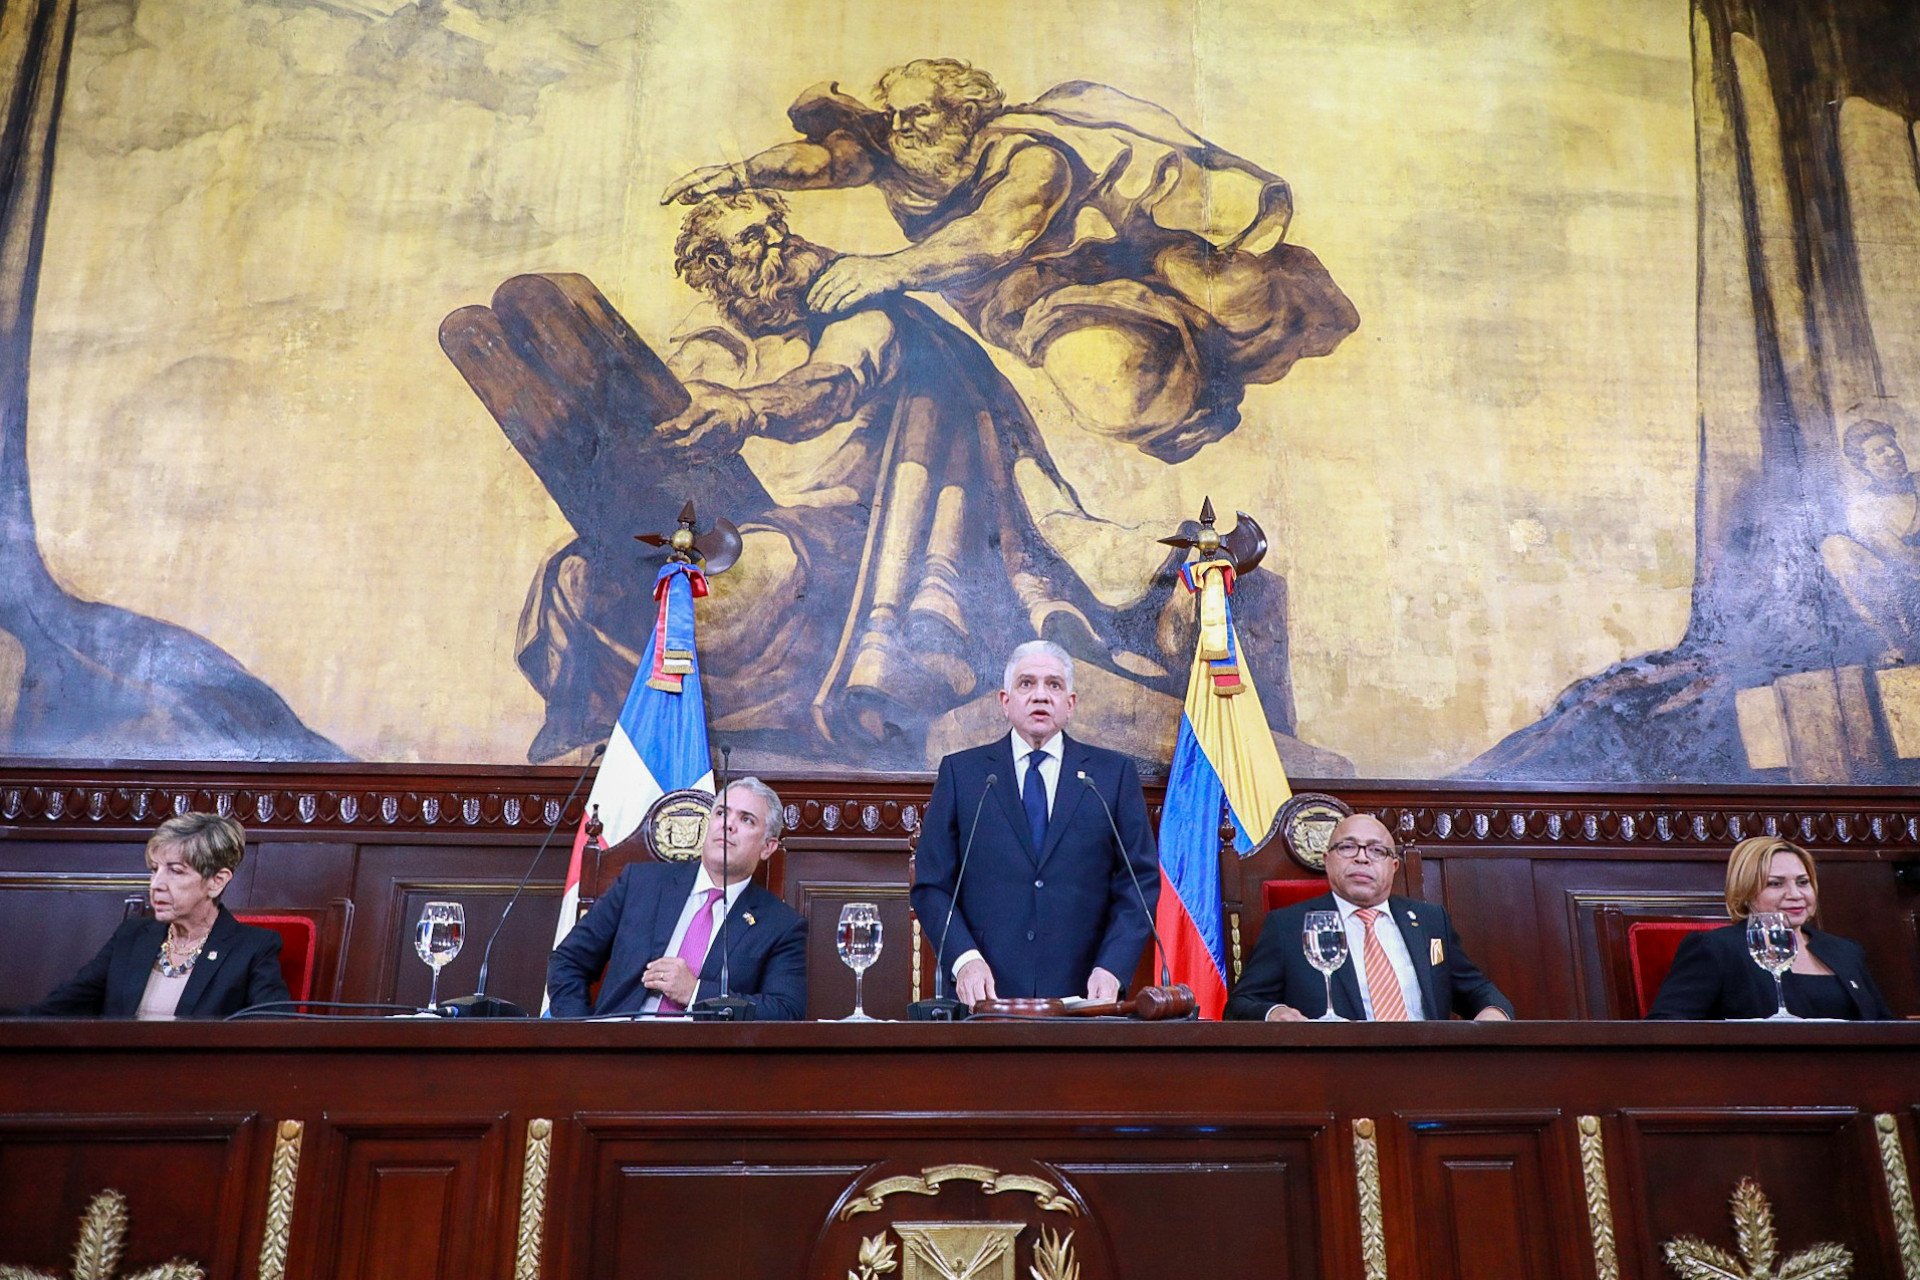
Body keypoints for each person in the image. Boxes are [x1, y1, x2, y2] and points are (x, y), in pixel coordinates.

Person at [513, 191, 1177, 768]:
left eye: (774, 227)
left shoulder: (854, 313)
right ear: (713, 268)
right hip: (730, 522)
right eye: (752, 239)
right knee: (573, 573)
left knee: (749, 580)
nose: (776, 244)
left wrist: (748, 410)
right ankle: (600, 728)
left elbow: (829, 386)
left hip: (846, 532)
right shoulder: (706, 340)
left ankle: (761, 725)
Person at [663, 59, 1358, 464]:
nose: (900, 130)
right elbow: (822, 161)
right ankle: (1189, 406)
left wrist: (888, 269)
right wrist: (740, 173)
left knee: (1231, 301)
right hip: (1032, 298)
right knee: (1113, 395)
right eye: (894, 118)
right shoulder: (895, 151)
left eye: (918, 116)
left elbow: (998, 231)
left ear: (964, 115)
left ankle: (1236, 345)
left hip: (1114, 259)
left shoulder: (1027, 153)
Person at [909, 639, 1160, 1004]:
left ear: (1070, 704)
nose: (1040, 695)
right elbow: (932, 885)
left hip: (1085, 998)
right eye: (1026, 683)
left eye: (1053, 685)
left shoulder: (1112, 776)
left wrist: (1112, 967)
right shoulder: (963, 775)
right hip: (985, 998)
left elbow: (1139, 881)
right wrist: (964, 960)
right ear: (1005, 701)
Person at [546, 777, 807, 1019]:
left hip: (705, 1051)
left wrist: (696, 992)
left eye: (746, 819)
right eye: (721, 813)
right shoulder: (640, 883)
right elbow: (568, 961)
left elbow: (785, 1010)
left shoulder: (780, 925)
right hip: (617, 1044)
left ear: (767, 847)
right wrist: (583, 1034)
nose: (728, 824)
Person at [1225, 813, 1513, 1021]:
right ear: (1328, 861)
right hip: (1333, 1072)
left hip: (1429, 1067)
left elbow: (1475, 989)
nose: (1362, 858)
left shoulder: (1430, 921)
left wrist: (1494, 1012)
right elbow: (1241, 1004)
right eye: (1348, 847)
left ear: (1393, 866)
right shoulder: (1287, 926)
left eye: (1376, 850)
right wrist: (1275, 1013)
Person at [28, 812, 291, 1019]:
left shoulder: (253, 948)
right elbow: (57, 1009)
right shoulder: (131, 936)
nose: (156, 885)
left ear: (216, 881)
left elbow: (272, 1031)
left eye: (175, 871)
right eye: (154, 870)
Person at [1647, 837, 1892, 1020]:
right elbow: (1667, 1027)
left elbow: (1884, 1027)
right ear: (1746, 891)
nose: (1795, 894)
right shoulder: (1716, 949)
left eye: (1803, 882)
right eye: (1775, 884)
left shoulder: (1846, 951)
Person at [1821, 408, 1920, 663]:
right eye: (1879, 451)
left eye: (1892, 446)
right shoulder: (1863, 508)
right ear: (1863, 465)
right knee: (1835, 547)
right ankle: (1900, 645)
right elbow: (1902, 559)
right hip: (1906, 595)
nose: (1893, 454)